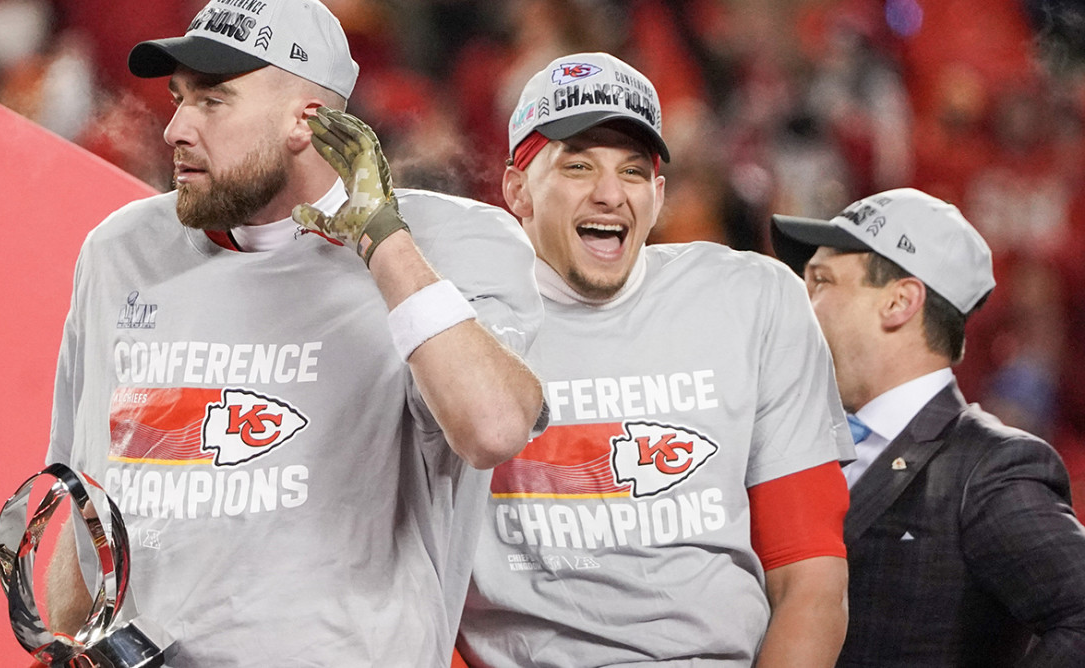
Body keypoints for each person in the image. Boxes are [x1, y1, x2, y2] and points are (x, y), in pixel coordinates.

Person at [43, 0, 546, 665]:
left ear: (306, 121)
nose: (174, 129)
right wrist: (62, 642)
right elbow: (93, 506)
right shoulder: (121, 252)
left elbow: (493, 429)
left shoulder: (451, 243)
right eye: (177, 98)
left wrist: (380, 238)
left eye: (213, 102)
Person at [455, 52, 855, 667]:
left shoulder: (754, 300)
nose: (610, 194)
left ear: (659, 194)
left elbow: (809, 578)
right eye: (579, 165)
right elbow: (406, 583)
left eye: (634, 172)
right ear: (516, 190)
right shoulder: (452, 321)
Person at [771, 188, 1085, 666]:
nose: (803, 304)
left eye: (823, 282)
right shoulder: (796, 439)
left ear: (899, 302)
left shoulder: (989, 468)